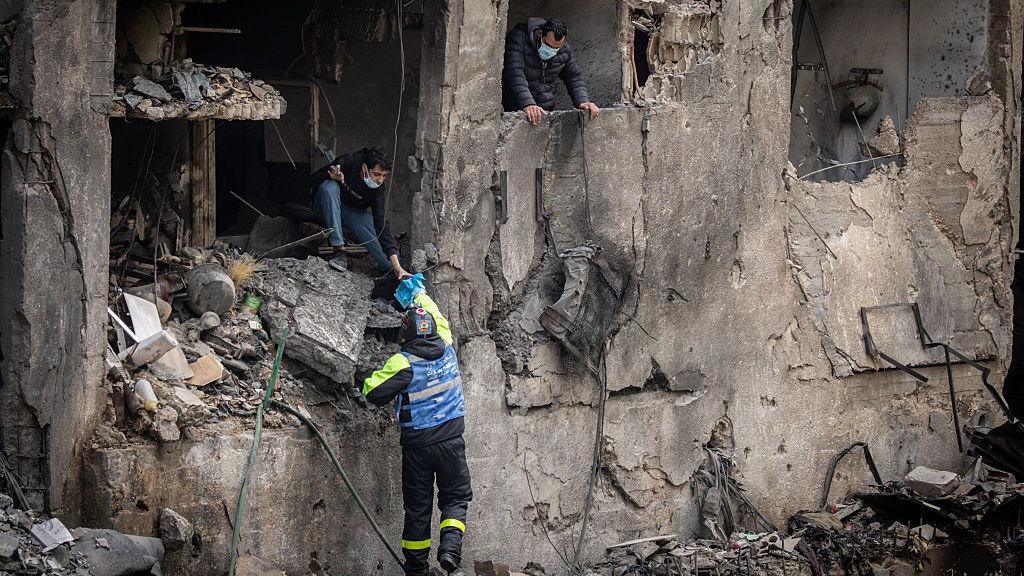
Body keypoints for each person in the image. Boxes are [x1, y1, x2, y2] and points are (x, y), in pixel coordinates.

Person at [362, 277, 472, 576]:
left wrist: (365, 375)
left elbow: (372, 391)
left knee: (418, 509)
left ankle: (417, 570)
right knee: (456, 497)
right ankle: (450, 551)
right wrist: (419, 294)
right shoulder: (448, 344)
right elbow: (435, 315)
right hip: (452, 440)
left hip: (418, 448)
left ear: (405, 334)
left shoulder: (403, 362)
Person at [310, 146, 410, 277]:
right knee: (330, 186)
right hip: (324, 208)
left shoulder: (378, 190)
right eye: (377, 174)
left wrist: (397, 266)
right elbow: (312, 180)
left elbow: (380, 223)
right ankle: (339, 250)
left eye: (384, 176)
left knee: (388, 264)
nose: (380, 180)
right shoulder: (349, 162)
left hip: (350, 214)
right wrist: (331, 177)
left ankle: (382, 267)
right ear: (364, 168)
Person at [502, 17, 600, 126]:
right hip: (515, 109)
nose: (551, 50)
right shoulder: (519, 39)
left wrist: (583, 101)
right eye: (548, 45)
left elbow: (574, 77)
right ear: (540, 35)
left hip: (545, 112)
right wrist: (528, 104)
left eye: (556, 48)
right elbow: (514, 73)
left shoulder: (564, 51)